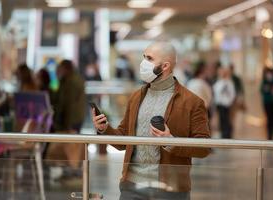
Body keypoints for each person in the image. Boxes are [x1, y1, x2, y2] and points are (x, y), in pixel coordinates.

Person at [92, 42, 210, 200]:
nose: (143, 63)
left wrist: (171, 141)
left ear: (165, 66)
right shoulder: (136, 97)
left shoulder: (192, 102)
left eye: (149, 58)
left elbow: (204, 147)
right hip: (131, 186)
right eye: (144, 57)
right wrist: (104, 128)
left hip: (170, 189)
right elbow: (122, 140)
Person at [54, 60, 86, 132]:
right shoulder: (69, 79)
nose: (58, 71)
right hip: (75, 118)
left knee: (71, 141)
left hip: (72, 120)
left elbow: (70, 104)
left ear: (66, 69)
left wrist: (68, 125)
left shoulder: (72, 82)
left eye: (60, 68)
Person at [213, 67, 236, 139]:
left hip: (226, 104)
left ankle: (227, 135)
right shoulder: (219, 82)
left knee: (227, 120)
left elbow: (232, 94)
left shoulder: (229, 82)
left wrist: (229, 102)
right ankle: (223, 134)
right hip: (219, 104)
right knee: (221, 120)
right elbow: (215, 91)